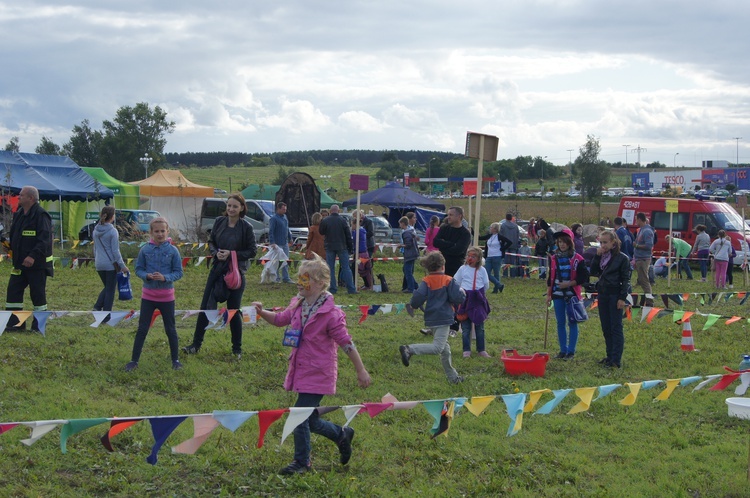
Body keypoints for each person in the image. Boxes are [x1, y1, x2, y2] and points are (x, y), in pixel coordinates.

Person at [252, 256, 371, 475]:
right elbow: (280, 319)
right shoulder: (298, 302)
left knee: (299, 415)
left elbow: (346, 342)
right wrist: (262, 312)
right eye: (299, 278)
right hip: (300, 368)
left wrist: (360, 369)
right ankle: (340, 434)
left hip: (319, 371)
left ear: (318, 282)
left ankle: (302, 462)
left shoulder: (331, 314)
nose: (299, 282)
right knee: (308, 418)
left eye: (304, 278)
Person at [183, 194, 257, 358]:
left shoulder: (247, 227)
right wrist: (216, 253)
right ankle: (196, 345)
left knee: (233, 310)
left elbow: (252, 251)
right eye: (229, 206)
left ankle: (237, 349)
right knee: (205, 307)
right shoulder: (219, 222)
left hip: (235, 274)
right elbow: (211, 242)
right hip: (217, 271)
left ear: (242, 208)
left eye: (235, 206)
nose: (231, 209)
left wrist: (231, 254)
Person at [125, 217, 184, 372]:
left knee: (170, 329)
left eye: (162, 231)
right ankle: (134, 361)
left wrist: (166, 278)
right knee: (142, 328)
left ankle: (175, 360)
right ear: (151, 232)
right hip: (148, 297)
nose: (160, 234)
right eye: (156, 231)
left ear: (167, 231)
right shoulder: (145, 249)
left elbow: (179, 272)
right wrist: (147, 276)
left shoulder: (173, 251)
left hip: (167, 297)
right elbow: (138, 269)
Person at [399, 251, 466, 384]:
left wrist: (414, 305)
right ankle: (409, 349)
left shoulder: (426, 281)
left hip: (432, 318)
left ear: (428, 267)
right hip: (444, 318)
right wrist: (462, 293)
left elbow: (418, 297)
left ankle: (453, 378)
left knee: (445, 350)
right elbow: (457, 298)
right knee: (437, 348)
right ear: (443, 266)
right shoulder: (448, 280)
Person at [4, 186, 53, 332]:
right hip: (19, 264)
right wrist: (10, 245)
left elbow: (44, 240)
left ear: (30, 198)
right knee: (13, 291)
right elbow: (17, 235)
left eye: (21, 195)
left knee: (37, 295)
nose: (18, 197)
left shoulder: (41, 215)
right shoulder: (19, 214)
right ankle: (15, 324)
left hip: (36, 264)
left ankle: (38, 326)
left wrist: (32, 256)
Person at [590, 231, 631, 368]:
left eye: (605, 242)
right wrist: (597, 256)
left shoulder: (622, 258)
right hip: (603, 293)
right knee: (606, 327)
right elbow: (593, 272)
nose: (603, 245)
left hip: (615, 295)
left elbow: (626, 280)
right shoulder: (602, 257)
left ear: (613, 242)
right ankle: (609, 356)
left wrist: (622, 298)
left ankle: (615, 360)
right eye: (601, 242)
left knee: (615, 327)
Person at [547, 228, 589, 360]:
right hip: (557, 294)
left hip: (572, 295)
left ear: (570, 242)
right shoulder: (554, 258)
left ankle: (571, 351)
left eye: (564, 241)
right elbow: (551, 278)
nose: (562, 244)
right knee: (560, 322)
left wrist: (569, 284)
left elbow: (584, 278)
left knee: (572, 322)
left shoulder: (578, 259)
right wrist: (549, 295)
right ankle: (562, 350)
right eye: (559, 242)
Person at [453, 246, 491, 358]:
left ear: (479, 258)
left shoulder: (482, 270)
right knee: (466, 327)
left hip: (477, 300)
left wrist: (479, 294)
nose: (470, 258)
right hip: (465, 299)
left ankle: (481, 349)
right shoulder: (462, 269)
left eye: (473, 256)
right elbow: (455, 282)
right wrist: (461, 293)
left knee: (480, 327)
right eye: (469, 256)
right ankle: (466, 350)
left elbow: (486, 285)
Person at [92, 205, 129, 318]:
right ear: (112, 217)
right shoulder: (113, 231)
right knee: (110, 290)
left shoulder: (95, 230)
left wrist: (96, 259)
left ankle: (98, 307)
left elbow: (95, 248)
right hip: (110, 264)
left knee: (108, 287)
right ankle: (106, 314)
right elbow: (115, 251)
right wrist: (122, 266)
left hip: (99, 263)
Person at [318, 205, 356, 294]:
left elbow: (321, 232)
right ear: (338, 211)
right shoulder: (343, 220)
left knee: (330, 268)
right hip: (342, 246)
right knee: (346, 268)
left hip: (329, 246)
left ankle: (333, 288)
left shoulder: (325, 220)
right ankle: (351, 289)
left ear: (330, 211)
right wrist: (351, 248)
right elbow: (348, 235)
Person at [432, 206, 472, 277]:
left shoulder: (465, 233)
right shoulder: (444, 228)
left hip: (456, 268)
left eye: (451, 215)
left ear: (459, 216)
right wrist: (452, 244)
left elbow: (458, 250)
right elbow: (435, 242)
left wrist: (443, 246)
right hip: (441, 266)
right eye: (448, 215)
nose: (448, 217)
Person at [479, 222, 510, 293]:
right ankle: (499, 285)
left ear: (495, 229)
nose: (490, 228)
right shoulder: (489, 236)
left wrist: (503, 248)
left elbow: (509, 242)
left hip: (497, 256)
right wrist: (473, 231)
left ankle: (496, 289)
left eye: (491, 227)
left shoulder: (499, 237)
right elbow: (480, 238)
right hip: (489, 257)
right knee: (487, 273)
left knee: (496, 273)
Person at [633, 213, 654, 306]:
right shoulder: (641, 230)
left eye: (636, 219)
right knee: (642, 280)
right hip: (639, 258)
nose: (635, 221)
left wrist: (637, 245)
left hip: (643, 259)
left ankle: (649, 302)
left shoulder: (647, 231)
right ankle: (645, 298)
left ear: (640, 219)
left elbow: (649, 245)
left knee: (644, 280)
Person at [269, 201, 293, 284]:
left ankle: (286, 278)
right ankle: (276, 278)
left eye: (285, 209)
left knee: (285, 260)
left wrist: (290, 238)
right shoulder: (274, 218)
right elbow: (271, 231)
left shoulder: (285, 217)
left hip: (285, 243)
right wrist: (272, 242)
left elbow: (287, 228)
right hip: (277, 244)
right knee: (277, 261)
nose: (285, 211)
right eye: (283, 209)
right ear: (278, 209)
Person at [352, 214, 373, 290]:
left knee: (360, 269)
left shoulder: (357, 232)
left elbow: (353, 240)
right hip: (364, 253)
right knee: (364, 269)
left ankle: (367, 285)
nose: (352, 227)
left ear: (355, 224)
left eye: (352, 225)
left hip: (360, 254)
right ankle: (368, 284)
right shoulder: (363, 230)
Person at [399, 216, 419, 293]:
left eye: (400, 224)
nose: (400, 226)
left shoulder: (406, 233)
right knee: (407, 270)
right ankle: (415, 285)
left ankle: (411, 288)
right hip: (413, 253)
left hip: (409, 254)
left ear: (403, 223)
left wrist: (401, 245)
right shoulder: (411, 231)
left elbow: (408, 244)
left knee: (407, 271)